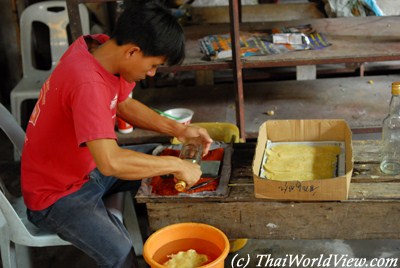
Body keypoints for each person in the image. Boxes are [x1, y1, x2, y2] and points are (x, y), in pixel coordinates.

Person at [21, 1, 213, 267]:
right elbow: (111, 162)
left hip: (88, 169)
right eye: (153, 65)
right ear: (133, 52)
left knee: (160, 153)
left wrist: (179, 130)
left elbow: (122, 103)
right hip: (57, 194)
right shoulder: (87, 82)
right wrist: (177, 164)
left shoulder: (96, 48)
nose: (151, 73)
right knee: (121, 252)